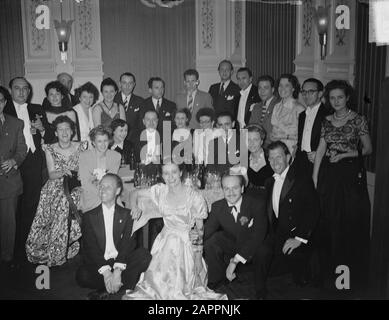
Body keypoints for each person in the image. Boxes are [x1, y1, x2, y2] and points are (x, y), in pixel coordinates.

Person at [122, 160, 227, 300]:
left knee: (184, 288)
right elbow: (134, 193)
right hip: (165, 240)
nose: (170, 177)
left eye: (174, 172)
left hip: (186, 243)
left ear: (181, 173)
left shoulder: (194, 196)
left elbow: (199, 229)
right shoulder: (160, 190)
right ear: (162, 175)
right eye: (166, 173)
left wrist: (197, 257)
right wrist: (134, 206)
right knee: (156, 285)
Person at [312, 80, 372, 296]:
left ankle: (346, 281)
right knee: (328, 224)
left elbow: (367, 149)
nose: (336, 101)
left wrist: (345, 155)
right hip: (329, 175)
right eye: (332, 97)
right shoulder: (326, 120)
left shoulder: (358, 120)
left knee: (347, 226)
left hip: (350, 176)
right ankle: (328, 278)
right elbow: (320, 150)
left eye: (340, 97)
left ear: (347, 98)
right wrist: (315, 178)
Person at [76, 173, 151, 300]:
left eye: (108, 187)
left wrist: (117, 271)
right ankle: (119, 285)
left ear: (117, 191)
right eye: (100, 187)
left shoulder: (127, 215)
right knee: (81, 275)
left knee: (144, 256)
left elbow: (128, 245)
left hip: (120, 261)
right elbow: (91, 248)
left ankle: (105, 290)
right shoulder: (89, 216)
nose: (102, 190)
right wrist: (106, 273)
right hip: (101, 263)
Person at [26, 116, 86, 266]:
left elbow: (86, 168)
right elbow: (51, 173)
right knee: (55, 203)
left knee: (70, 202)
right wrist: (63, 171)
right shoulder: (50, 148)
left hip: (76, 186)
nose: (64, 132)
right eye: (61, 129)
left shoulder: (82, 146)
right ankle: (50, 249)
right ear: (56, 133)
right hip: (55, 185)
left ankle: (61, 247)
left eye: (67, 129)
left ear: (72, 131)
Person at [263, 141, 319, 289]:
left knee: (300, 283)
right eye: (271, 158)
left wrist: (299, 239)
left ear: (288, 158)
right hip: (279, 234)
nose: (275, 162)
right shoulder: (269, 182)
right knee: (269, 273)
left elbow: (312, 211)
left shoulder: (301, 179)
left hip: (298, 234)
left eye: (279, 157)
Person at [4, 77, 48, 264]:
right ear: (10, 91)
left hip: (33, 161)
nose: (22, 92)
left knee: (31, 204)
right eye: (17, 88)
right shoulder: (3, 109)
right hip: (11, 163)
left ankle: (27, 246)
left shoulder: (37, 109)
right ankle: (11, 249)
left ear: (29, 91)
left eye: (25, 89)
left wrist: (43, 128)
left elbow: (50, 134)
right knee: (12, 208)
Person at [203, 171, 268, 299]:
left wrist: (234, 262)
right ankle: (216, 283)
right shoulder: (217, 207)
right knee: (212, 241)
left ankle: (260, 290)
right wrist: (192, 239)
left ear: (242, 188)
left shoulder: (256, 204)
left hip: (254, 244)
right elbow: (206, 231)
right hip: (235, 242)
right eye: (227, 188)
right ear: (222, 190)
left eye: (235, 188)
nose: (230, 192)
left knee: (263, 250)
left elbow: (258, 235)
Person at [0, 86, 27, 266]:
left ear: (5, 102)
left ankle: (6, 257)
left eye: (0, 100)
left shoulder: (16, 123)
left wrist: (14, 162)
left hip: (9, 180)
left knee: (8, 223)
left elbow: (22, 149)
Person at [79, 126, 121, 213]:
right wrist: (101, 194)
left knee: (121, 212)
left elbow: (111, 181)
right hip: (90, 194)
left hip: (110, 193)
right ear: (93, 143)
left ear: (109, 141)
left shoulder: (116, 156)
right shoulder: (84, 156)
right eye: (99, 141)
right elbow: (85, 183)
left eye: (105, 141)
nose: (103, 144)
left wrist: (107, 194)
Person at [296, 78, 332, 176]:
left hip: (319, 161)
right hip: (301, 160)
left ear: (320, 94)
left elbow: (334, 143)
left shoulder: (328, 115)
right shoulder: (302, 115)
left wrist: (321, 154)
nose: (306, 95)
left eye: (311, 92)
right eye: (304, 92)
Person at [270, 74, 305, 156]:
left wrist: (282, 136)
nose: (282, 89)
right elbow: (274, 128)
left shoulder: (299, 108)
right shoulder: (276, 106)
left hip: (291, 150)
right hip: (276, 149)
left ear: (293, 88)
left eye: (286, 86)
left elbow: (303, 135)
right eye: (280, 85)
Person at [249, 75, 280, 147]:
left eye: (265, 88)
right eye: (259, 88)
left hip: (273, 147)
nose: (262, 91)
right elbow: (251, 127)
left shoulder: (279, 105)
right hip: (256, 146)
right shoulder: (256, 107)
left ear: (272, 89)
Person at [113, 72, 144, 141]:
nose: (127, 86)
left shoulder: (140, 101)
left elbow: (142, 124)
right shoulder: (113, 99)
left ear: (134, 84)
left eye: (130, 83)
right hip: (115, 140)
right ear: (120, 84)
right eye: (124, 83)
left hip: (134, 140)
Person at [244, 124, 273, 194]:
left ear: (262, 141)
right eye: (248, 140)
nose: (251, 143)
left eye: (255, 139)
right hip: (250, 197)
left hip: (269, 197)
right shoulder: (243, 158)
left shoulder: (271, 156)